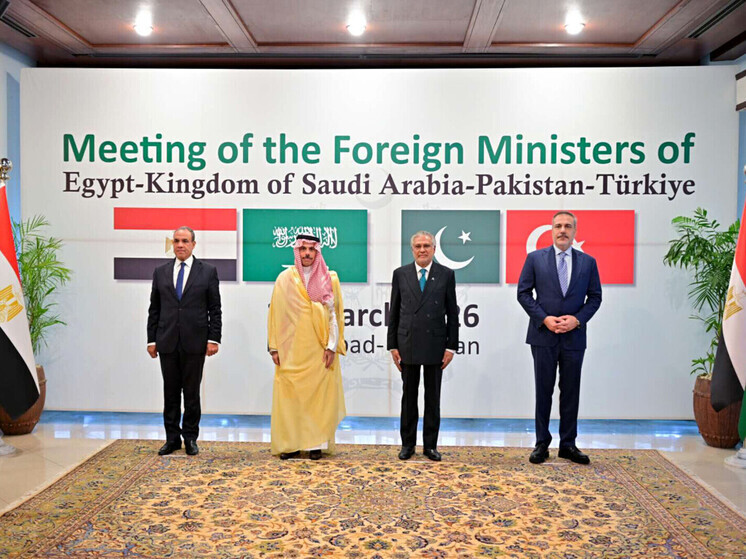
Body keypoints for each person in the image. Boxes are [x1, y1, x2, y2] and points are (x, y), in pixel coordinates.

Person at [517, 211, 602, 465]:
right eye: (558, 226)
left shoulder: (588, 262)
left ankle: (568, 445)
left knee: (571, 392)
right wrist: (544, 318)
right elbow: (523, 293)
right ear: (551, 230)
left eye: (567, 226)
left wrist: (577, 319)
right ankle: (541, 443)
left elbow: (595, 297)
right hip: (543, 335)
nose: (562, 230)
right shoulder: (535, 259)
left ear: (575, 231)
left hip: (574, 337)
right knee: (543, 391)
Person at [267, 233, 346, 460]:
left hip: (318, 348)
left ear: (317, 252)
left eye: (312, 249)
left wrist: (331, 347)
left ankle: (315, 444)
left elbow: (334, 316)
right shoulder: (285, 279)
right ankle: (291, 444)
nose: (307, 253)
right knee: (291, 397)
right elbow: (276, 315)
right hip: (291, 350)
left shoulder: (329, 279)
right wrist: (274, 347)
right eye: (303, 249)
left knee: (318, 398)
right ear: (297, 251)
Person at [147, 226, 222, 456]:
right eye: (177, 241)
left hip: (195, 342)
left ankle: (190, 438)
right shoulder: (160, 272)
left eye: (185, 241)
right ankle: (172, 439)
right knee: (170, 394)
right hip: (167, 341)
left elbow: (214, 309)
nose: (180, 245)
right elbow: (154, 308)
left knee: (191, 394)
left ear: (193, 244)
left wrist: (213, 339)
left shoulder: (207, 271)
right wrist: (151, 340)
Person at [388, 230, 459, 461]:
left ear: (434, 249)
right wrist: (392, 345)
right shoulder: (400, 274)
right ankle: (407, 445)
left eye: (427, 246)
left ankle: (430, 446)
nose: (422, 250)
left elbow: (452, 313)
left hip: (435, 345)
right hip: (407, 343)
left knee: (432, 398)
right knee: (408, 399)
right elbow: (394, 312)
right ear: (412, 250)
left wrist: (451, 347)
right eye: (418, 246)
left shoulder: (446, 274)